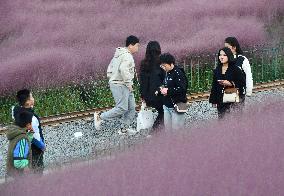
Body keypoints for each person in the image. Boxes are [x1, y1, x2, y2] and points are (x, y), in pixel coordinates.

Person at [94, 35, 140, 134]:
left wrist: (111, 78)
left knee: (131, 108)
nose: (138, 48)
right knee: (122, 108)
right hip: (121, 85)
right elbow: (123, 69)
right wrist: (127, 83)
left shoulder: (119, 54)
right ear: (131, 45)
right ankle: (100, 117)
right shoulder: (127, 56)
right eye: (137, 45)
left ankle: (124, 128)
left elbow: (110, 68)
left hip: (122, 83)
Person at [13, 89, 45, 174]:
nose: (33, 98)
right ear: (27, 102)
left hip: (25, 149)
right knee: (37, 172)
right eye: (32, 97)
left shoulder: (19, 113)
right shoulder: (31, 118)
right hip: (34, 149)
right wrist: (42, 145)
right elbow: (32, 136)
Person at [209, 47, 246, 119]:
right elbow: (214, 86)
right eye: (220, 55)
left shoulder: (235, 69)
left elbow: (242, 83)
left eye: (224, 55)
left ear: (229, 56)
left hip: (233, 99)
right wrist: (213, 100)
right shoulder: (217, 69)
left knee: (234, 121)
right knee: (222, 120)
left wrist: (231, 83)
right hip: (221, 100)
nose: (221, 57)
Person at [139, 41, 164, 132]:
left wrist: (142, 96)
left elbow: (143, 82)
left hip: (148, 97)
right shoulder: (161, 62)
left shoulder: (144, 63)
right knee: (165, 110)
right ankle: (155, 132)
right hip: (158, 95)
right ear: (158, 50)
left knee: (162, 110)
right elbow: (164, 80)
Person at [158, 53, 188, 131]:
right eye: (162, 66)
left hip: (178, 105)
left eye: (164, 65)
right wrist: (162, 89)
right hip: (167, 105)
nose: (163, 67)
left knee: (177, 130)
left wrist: (168, 90)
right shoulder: (167, 72)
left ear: (171, 64)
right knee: (168, 129)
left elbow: (182, 89)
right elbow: (167, 84)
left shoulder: (179, 73)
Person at [6, 111, 34, 179]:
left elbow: (22, 148)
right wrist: (27, 166)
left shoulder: (16, 133)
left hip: (13, 173)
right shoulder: (22, 138)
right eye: (31, 123)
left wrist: (29, 135)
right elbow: (18, 162)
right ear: (28, 125)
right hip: (20, 176)